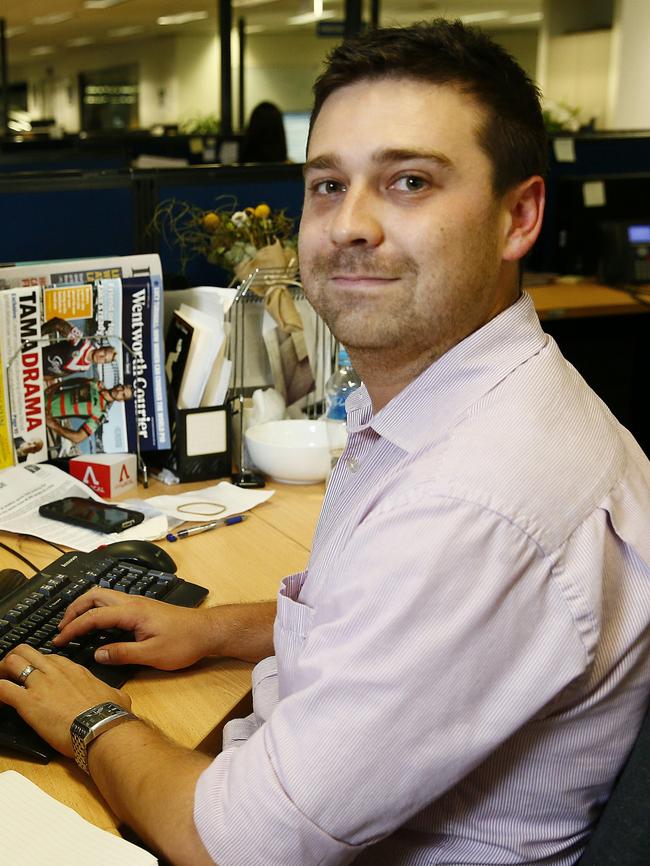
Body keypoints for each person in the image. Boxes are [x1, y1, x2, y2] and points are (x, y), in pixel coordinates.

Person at [1, 19, 649, 866]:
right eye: (327, 184)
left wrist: (88, 718)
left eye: (409, 181)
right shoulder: (473, 405)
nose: (350, 225)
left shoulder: (477, 499)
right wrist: (222, 630)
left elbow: (232, 844)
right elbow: (396, 624)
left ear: (518, 216)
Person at [44, 377, 133, 444]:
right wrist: (54, 387)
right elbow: (70, 381)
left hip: (43, 414)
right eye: (122, 387)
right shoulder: (96, 383)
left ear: (121, 400)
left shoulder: (101, 413)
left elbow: (78, 438)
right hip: (40, 396)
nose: (119, 391)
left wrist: (53, 425)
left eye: (123, 395)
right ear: (119, 385)